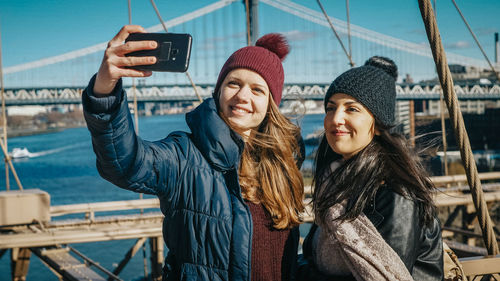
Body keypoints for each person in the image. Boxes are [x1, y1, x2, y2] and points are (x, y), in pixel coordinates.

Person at [82, 25, 305, 280]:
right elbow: (125, 163)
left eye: (257, 89)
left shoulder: (285, 164)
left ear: (271, 105)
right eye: (234, 83)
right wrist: (104, 90)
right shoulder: (185, 156)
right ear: (218, 91)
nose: (243, 95)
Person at [299, 56, 443, 281]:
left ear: (377, 125)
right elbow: (310, 257)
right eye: (331, 107)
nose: (336, 118)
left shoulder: (395, 192)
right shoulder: (335, 184)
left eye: (352, 109)